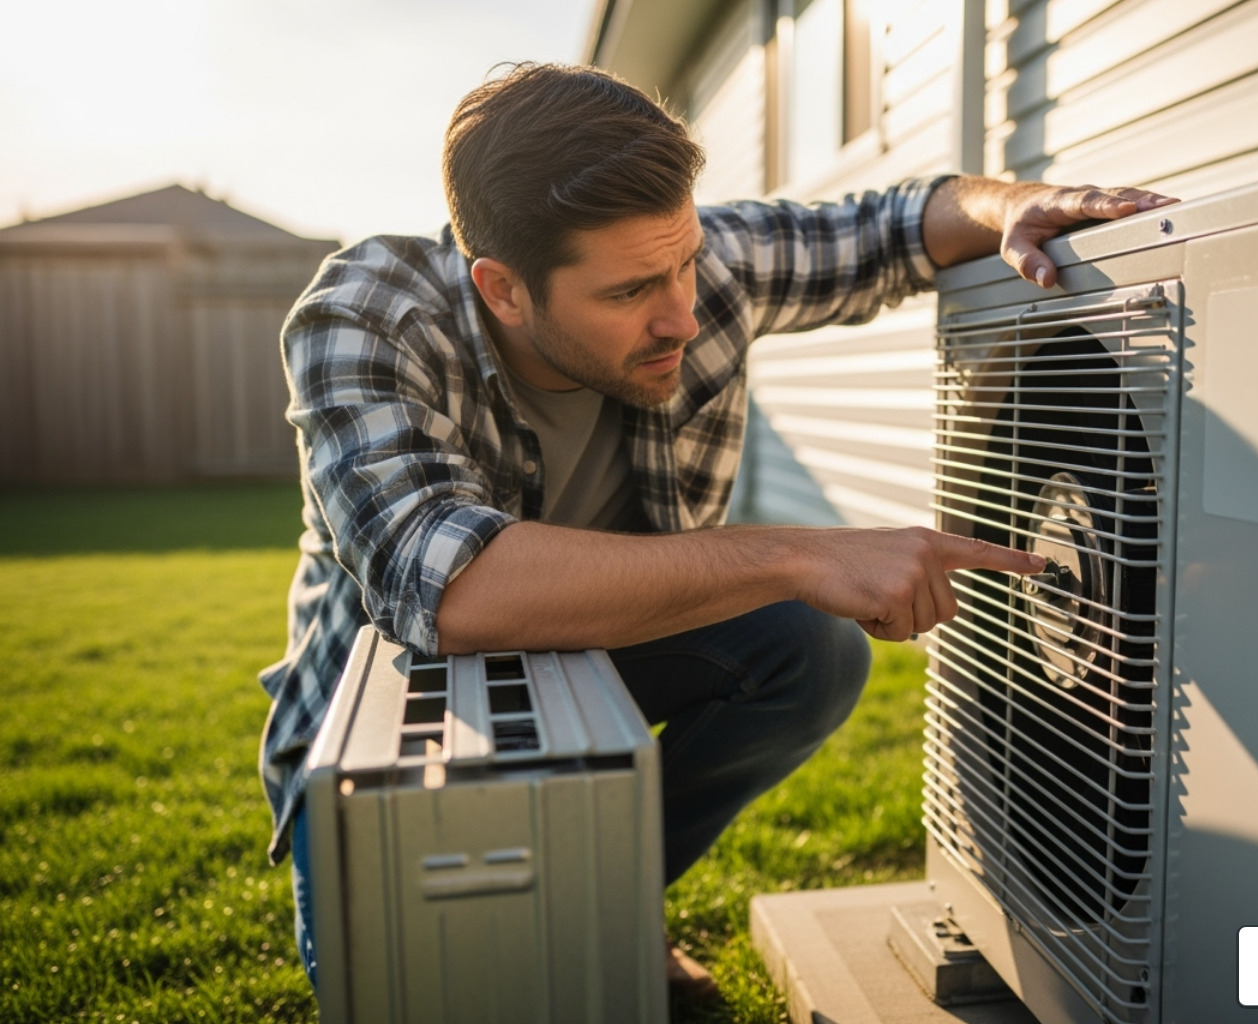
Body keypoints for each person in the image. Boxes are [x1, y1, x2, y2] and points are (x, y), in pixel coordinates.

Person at [259, 61, 1175, 1000]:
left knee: (810, 649)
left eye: (687, 262)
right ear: (503, 291)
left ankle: (607, 898)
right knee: (433, 987)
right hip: (398, 727)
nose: (684, 317)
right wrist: (796, 552)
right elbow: (457, 592)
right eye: (629, 294)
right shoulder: (368, 314)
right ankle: (558, 913)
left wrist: (1008, 203)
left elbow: (897, 226)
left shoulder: (698, 268)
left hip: (601, 648)